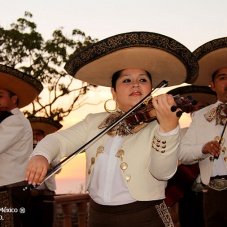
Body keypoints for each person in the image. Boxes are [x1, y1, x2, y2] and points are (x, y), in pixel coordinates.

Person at [25, 31, 198, 227]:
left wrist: (168, 130)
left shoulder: (158, 125)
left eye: (143, 80)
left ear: (151, 89)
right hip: (99, 216)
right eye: (126, 80)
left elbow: (163, 172)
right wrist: (41, 155)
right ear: (113, 92)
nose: (135, 84)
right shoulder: (94, 122)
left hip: (144, 217)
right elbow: (59, 140)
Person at [179, 37, 227, 227]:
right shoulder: (200, 116)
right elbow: (183, 154)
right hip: (214, 193)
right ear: (212, 85)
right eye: (223, 78)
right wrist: (203, 149)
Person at [0, 64, 43, 226]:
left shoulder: (14, 121)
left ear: (14, 99)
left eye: (0, 96)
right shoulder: (9, 120)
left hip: (9, 189)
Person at [27, 116, 62, 227]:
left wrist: (48, 157)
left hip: (47, 194)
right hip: (31, 194)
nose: (36, 137)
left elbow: (58, 169)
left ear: (43, 137)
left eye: (38, 134)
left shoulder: (51, 150)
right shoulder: (26, 150)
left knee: (47, 222)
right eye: (34, 134)